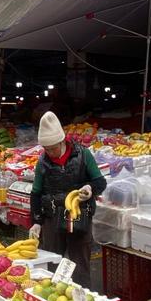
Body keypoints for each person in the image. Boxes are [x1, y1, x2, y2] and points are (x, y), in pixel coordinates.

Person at [29, 111, 106, 287]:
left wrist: (90, 188)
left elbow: (100, 182)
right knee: (52, 265)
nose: (50, 153)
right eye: (46, 149)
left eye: (53, 148)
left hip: (79, 216)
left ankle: (82, 296)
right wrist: (36, 221)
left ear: (62, 141)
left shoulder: (83, 155)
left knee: (80, 267)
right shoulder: (42, 162)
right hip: (53, 219)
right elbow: (36, 193)